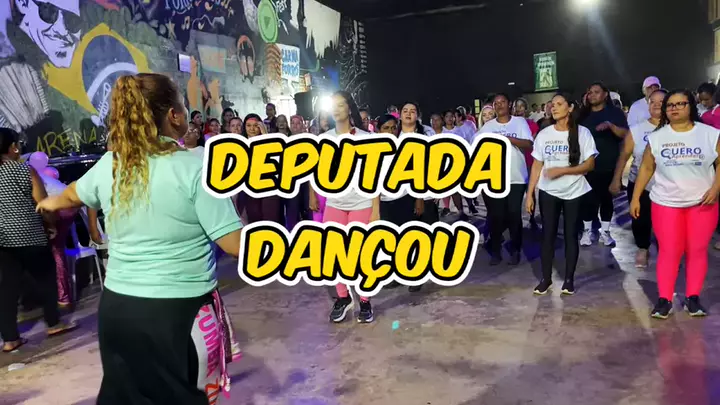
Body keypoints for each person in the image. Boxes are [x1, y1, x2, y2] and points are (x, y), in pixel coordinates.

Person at [36, 73, 243, 402]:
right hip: (178, 313)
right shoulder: (197, 168)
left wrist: (49, 202)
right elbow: (234, 245)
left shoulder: (112, 163)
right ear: (174, 116)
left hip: (118, 309)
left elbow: (73, 193)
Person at [630, 89, 720, 319]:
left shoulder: (709, 134)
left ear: (691, 106)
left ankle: (693, 298)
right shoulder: (657, 137)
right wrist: (636, 196)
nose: (674, 108)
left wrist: (715, 188)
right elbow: (646, 168)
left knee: (696, 250)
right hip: (666, 203)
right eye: (670, 105)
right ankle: (664, 300)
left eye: (681, 104)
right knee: (669, 251)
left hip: (702, 203)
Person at [0, 129, 77, 353]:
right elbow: (43, 203)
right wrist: (51, 225)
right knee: (46, 279)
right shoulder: (25, 170)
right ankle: (53, 323)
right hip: (30, 233)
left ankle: (10, 339)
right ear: (13, 147)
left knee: (7, 288)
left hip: (3, 239)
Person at [311, 90, 374, 324]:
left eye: (341, 105)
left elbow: (375, 176)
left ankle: (365, 300)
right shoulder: (324, 138)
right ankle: (343, 297)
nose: (336, 110)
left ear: (349, 108)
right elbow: (314, 170)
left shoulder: (366, 138)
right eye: (333, 105)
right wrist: (312, 194)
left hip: (361, 202)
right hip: (335, 203)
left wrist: (376, 210)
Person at [527, 93, 597, 295]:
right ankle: (546, 278)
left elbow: (590, 165)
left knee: (570, 235)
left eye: (559, 104)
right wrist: (530, 193)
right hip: (548, 191)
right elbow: (537, 166)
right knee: (547, 235)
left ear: (570, 108)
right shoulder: (544, 134)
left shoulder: (582, 133)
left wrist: (562, 170)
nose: (554, 108)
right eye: (552, 105)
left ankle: (568, 280)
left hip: (574, 190)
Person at [610, 89, 666, 268]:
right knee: (640, 218)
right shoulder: (637, 130)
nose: (656, 105)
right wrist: (616, 179)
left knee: (667, 221)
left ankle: (668, 251)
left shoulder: (675, 128)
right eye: (652, 101)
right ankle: (643, 248)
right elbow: (624, 157)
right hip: (640, 183)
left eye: (661, 101)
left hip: (668, 185)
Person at [476, 93, 534, 265]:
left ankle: (515, 249)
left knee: (514, 214)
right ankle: (495, 250)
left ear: (509, 104)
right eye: (496, 103)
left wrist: (508, 139)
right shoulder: (488, 127)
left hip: (517, 177)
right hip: (495, 179)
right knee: (496, 215)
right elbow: (478, 149)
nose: (499, 105)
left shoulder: (519, 122)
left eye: (503, 102)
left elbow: (529, 144)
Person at [372, 113, 422, 293]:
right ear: (378, 130)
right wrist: (375, 209)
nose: (390, 131)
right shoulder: (373, 151)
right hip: (385, 202)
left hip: (405, 199)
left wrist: (419, 199)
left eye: (393, 128)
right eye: (386, 128)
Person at [578, 82, 629, 247]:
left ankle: (605, 232)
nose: (592, 95)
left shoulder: (615, 113)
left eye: (596, 92)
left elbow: (625, 134)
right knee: (587, 200)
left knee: (606, 199)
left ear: (605, 94)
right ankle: (587, 231)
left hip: (608, 164)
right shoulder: (583, 114)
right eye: (590, 92)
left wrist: (610, 126)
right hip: (586, 165)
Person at [514, 98, 540, 230]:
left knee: (530, 191)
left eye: (521, 106)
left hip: (528, 161)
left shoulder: (532, 124)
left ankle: (531, 217)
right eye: (516, 106)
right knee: (515, 193)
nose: (519, 109)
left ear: (525, 108)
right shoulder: (510, 124)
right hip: (514, 163)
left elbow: (531, 143)